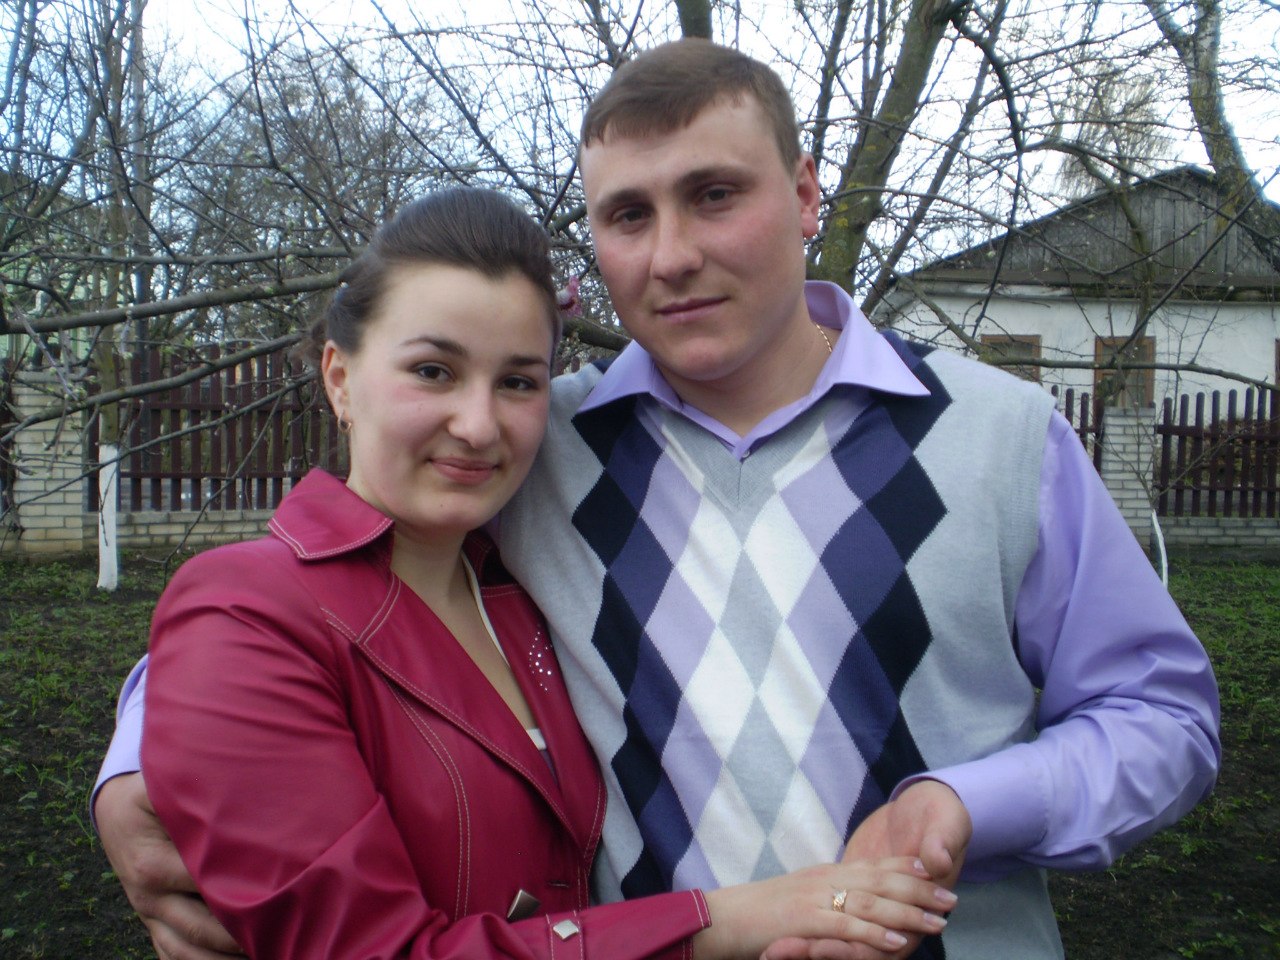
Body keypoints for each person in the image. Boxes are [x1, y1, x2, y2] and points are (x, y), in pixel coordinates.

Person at [96, 41, 1221, 960]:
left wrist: (970, 803)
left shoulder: (998, 435)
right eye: (627, 215)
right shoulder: (542, 444)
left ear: (804, 194)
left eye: (713, 196)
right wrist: (138, 762)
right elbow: (311, 596)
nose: (671, 255)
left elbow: (1163, 715)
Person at [118, 185, 954, 960]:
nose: (479, 425)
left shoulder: (529, 582)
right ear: (340, 377)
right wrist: (728, 917)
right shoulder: (242, 607)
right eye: (433, 371)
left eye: (518, 381)